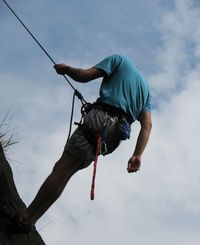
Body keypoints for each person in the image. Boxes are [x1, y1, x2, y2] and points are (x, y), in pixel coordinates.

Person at [16, 54, 152, 231]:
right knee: (66, 172)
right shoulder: (146, 90)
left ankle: (25, 219)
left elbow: (85, 76)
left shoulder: (119, 60)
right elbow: (147, 125)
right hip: (113, 137)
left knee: (62, 168)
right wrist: (137, 155)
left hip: (101, 120)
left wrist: (66, 70)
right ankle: (30, 220)